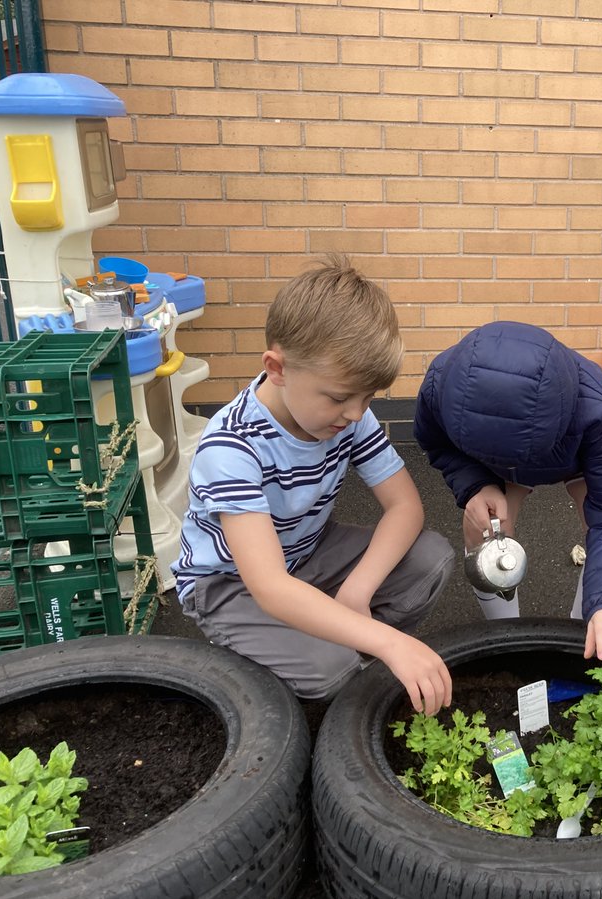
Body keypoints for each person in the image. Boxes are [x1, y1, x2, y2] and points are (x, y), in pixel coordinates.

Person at [172, 256, 455, 714]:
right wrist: (391, 640)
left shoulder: (347, 417)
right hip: (231, 585)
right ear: (277, 368)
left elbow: (405, 507)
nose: (356, 414)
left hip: (306, 552)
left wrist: (357, 593)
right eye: (342, 397)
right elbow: (269, 586)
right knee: (330, 670)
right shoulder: (230, 448)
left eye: (369, 398)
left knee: (431, 558)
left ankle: (339, 642)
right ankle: (295, 667)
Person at [413, 321, 602, 660]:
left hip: (571, 457)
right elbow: (438, 443)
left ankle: (582, 634)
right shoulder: (440, 385)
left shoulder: (598, 408)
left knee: (595, 519)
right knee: (484, 530)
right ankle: (505, 639)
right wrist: (476, 485)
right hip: (497, 460)